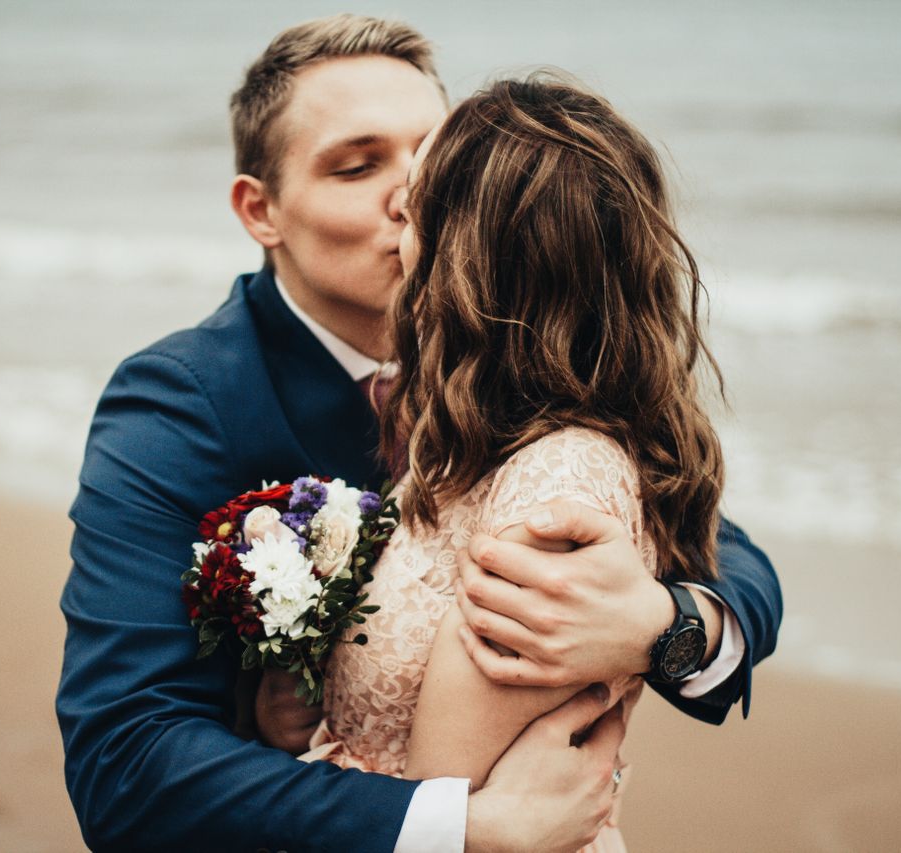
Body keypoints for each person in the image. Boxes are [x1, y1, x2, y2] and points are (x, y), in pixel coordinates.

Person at [56, 15, 781, 852]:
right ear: (262, 210)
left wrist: (663, 627)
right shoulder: (184, 402)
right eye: (357, 165)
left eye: (431, 155)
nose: (408, 194)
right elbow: (125, 758)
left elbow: (727, 551)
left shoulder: (507, 366)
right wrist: (465, 828)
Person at [312, 72, 736, 851]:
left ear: (473, 257)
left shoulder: (560, 487)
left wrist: (674, 629)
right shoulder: (475, 438)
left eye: (416, 204)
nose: (398, 223)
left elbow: (454, 809)